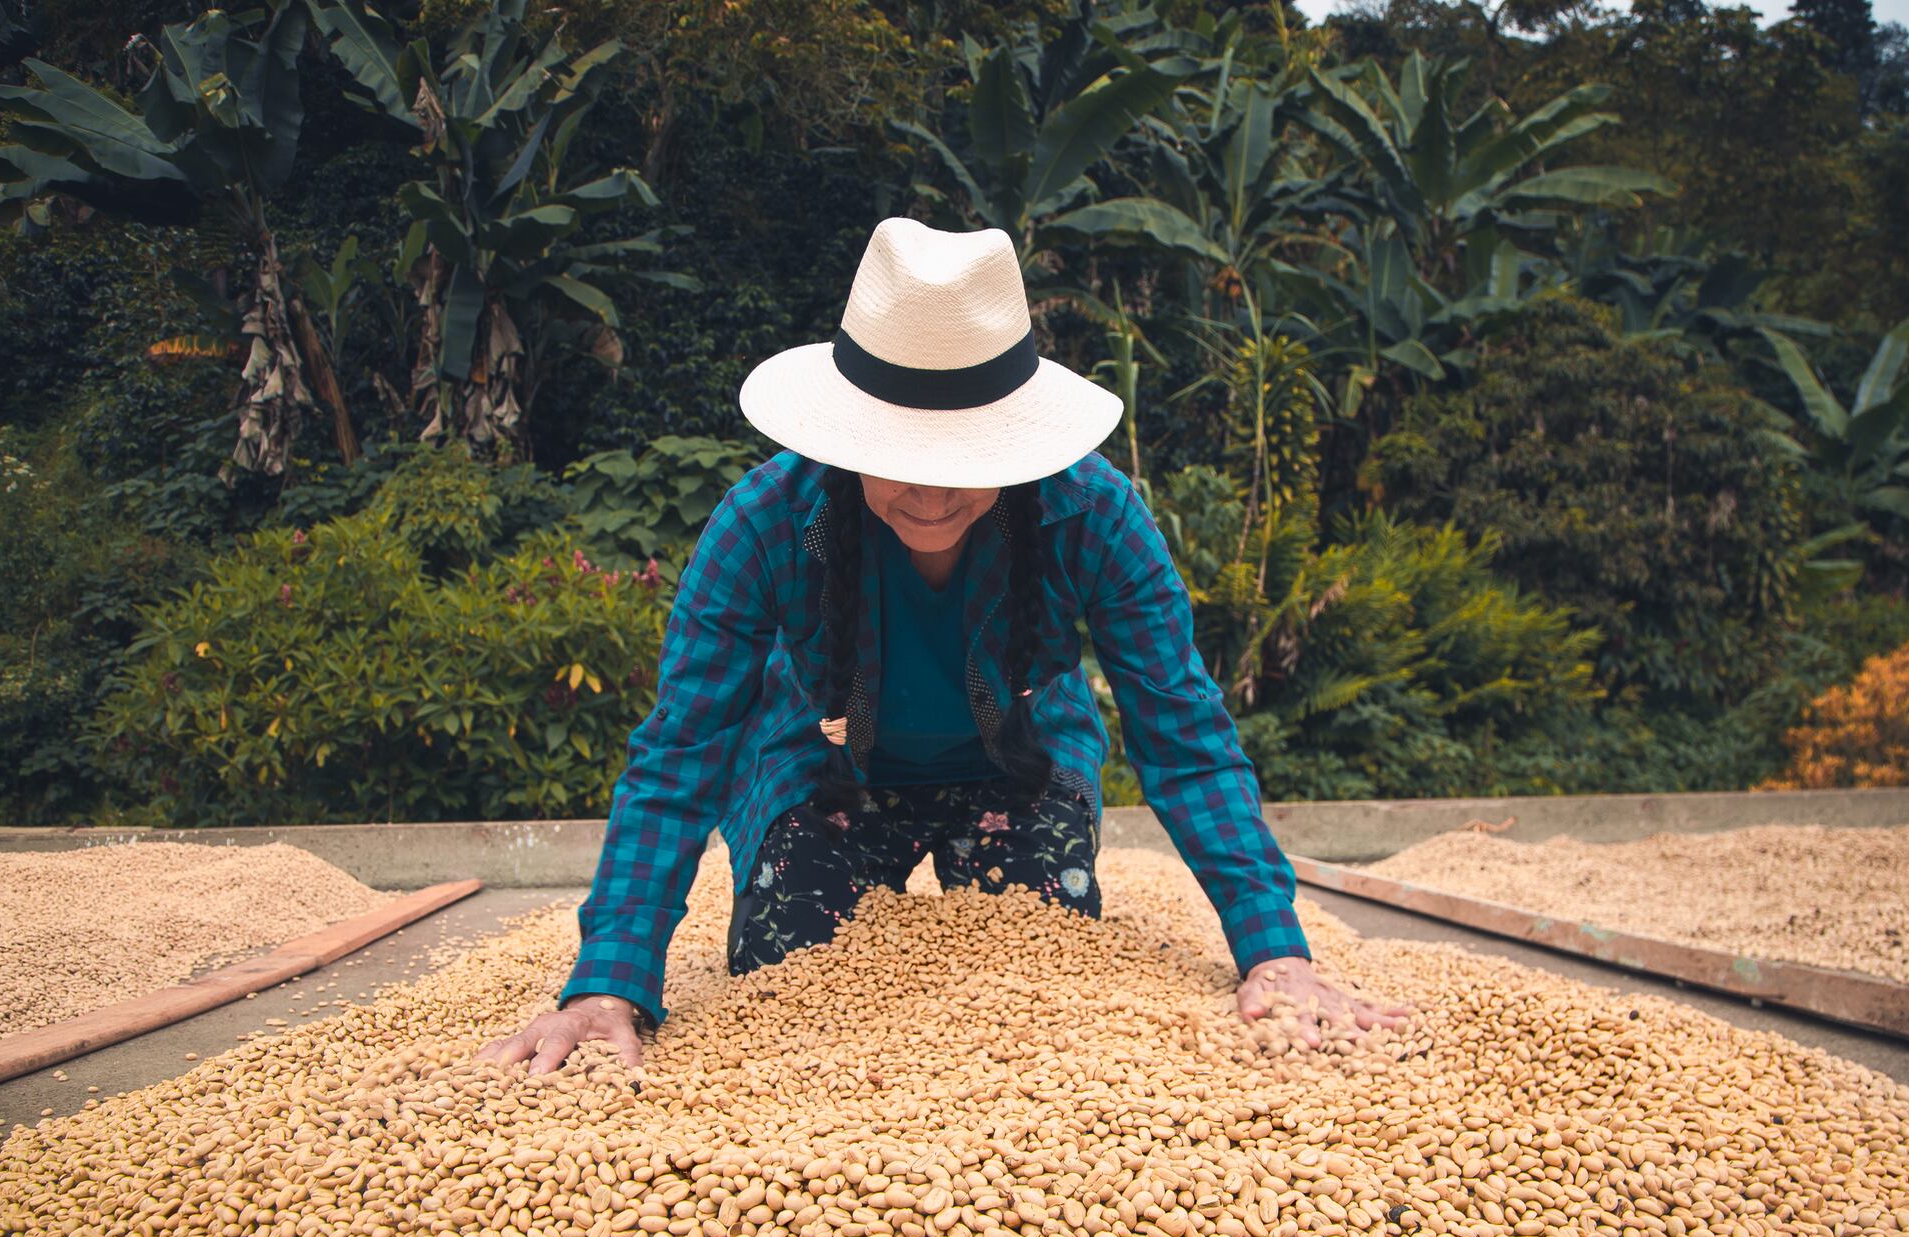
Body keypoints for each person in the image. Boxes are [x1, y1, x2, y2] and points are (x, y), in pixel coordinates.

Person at [480, 217, 1410, 1074]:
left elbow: (1185, 734)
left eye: (962, 458)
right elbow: (682, 749)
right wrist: (609, 979)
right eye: (900, 454)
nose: (929, 495)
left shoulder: (1092, 513)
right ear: (845, 433)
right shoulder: (765, 523)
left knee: (1047, 976)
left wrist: (1274, 949)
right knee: (781, 971)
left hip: (1019, 765)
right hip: (826, 768)